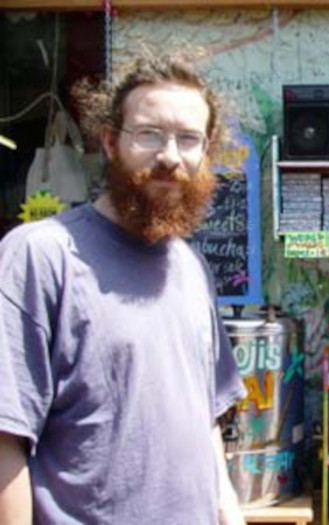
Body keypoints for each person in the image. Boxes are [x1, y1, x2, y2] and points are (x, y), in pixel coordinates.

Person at [0, 56, 248, 524]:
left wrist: (229, 511)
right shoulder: (40, 255)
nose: (170, 156)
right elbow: (6, 439)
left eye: (189, 139)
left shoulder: (191, 268)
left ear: (205, 154)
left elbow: (205, 418)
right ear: (111, 142)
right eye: (149, 133)